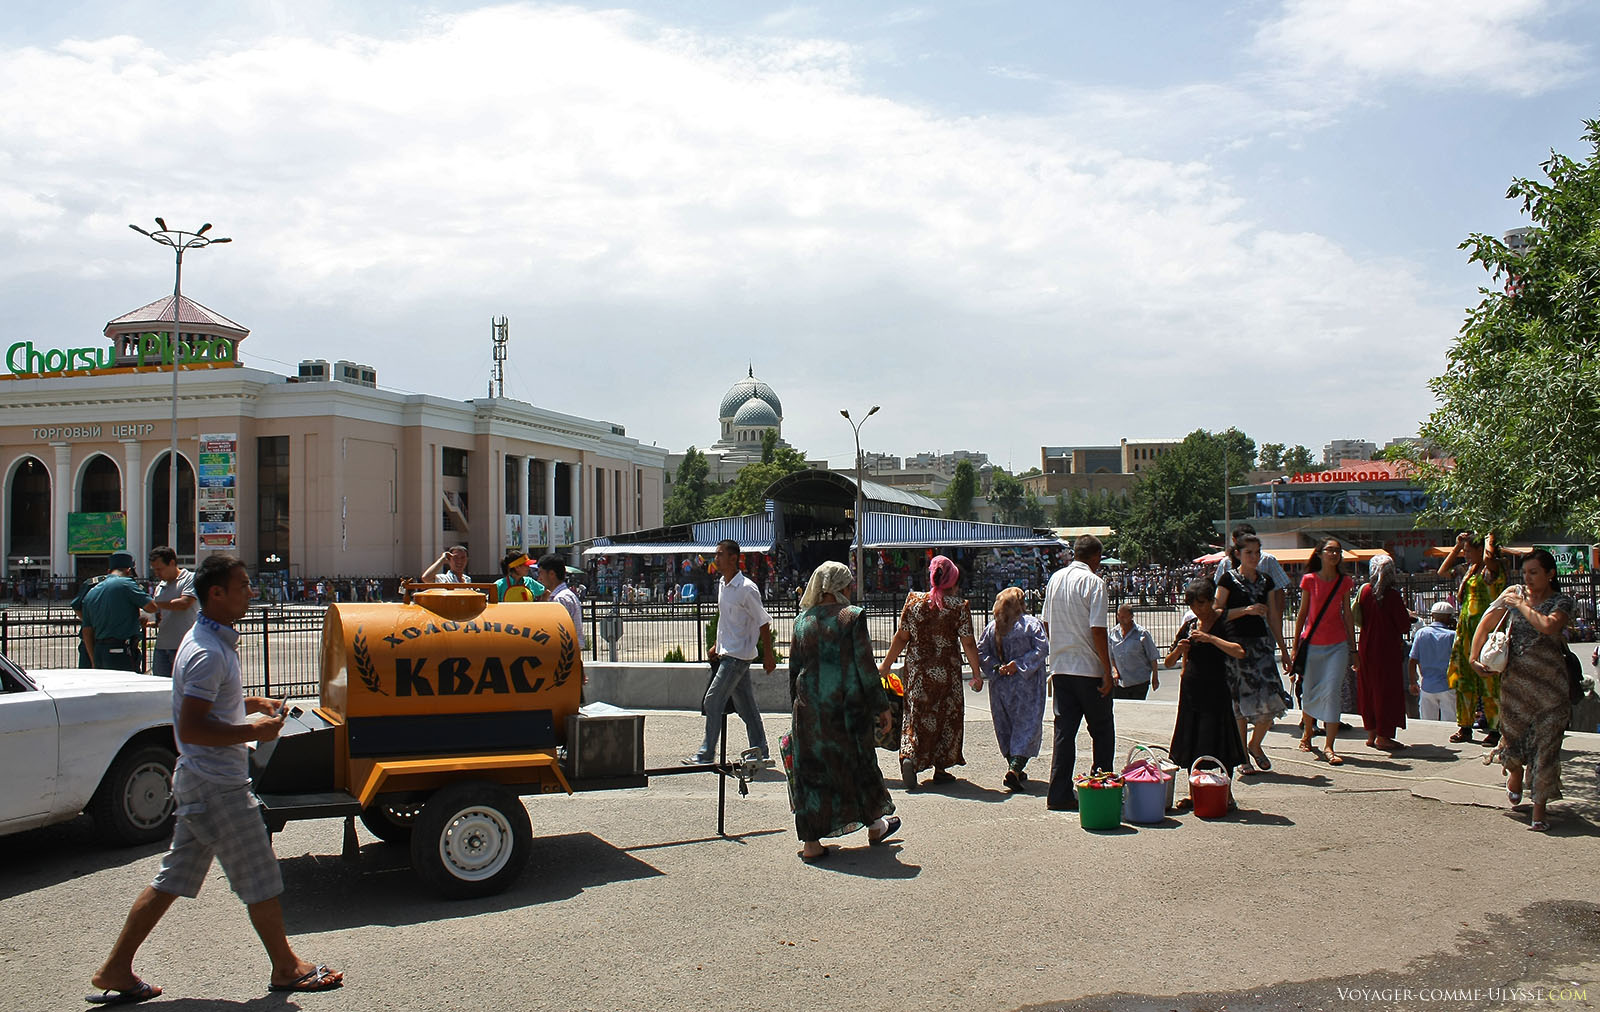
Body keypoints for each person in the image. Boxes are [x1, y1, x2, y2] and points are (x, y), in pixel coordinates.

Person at [87, 555, 343, 1004]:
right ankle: (286, 967)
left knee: (172, 878)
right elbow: (191, 727)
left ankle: (115, 968)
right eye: (242, 585)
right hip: (218, 786)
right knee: (261, 876)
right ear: (216, 594)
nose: (250, 592)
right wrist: (254, 731)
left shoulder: (208, 640)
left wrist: (251, 701)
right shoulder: (207, 651)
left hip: (199, 782)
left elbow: (209, 703)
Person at [788, 561, 900, 862]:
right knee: (859, 765)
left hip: (808, 711)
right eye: (849, 584)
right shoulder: (850, 617)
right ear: (839, 588)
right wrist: (881, 706)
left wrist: (797, 710)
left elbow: (794, 670)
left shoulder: (802, 621)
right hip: (845, 711)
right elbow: (864, 668)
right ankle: (876, 826)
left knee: (812, 774)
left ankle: (811, 843)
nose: (851, 589)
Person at [1472, 549, 1573, 831]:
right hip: (1515, 687)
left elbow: (1549, 626)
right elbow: (1488, 621)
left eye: (1534, 573)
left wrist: (1522, 605)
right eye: (1525, 573)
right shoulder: (1514, 593)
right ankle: (1514, 772)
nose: (1527, 579)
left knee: (1546, 750)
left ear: (1550, 574)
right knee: (1513, 741)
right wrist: (1473, 656)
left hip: (1551, 690)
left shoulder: (1561, 602)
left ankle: (1539, 810)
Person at [879, 555, 983, 790]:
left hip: (918, 672)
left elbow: (901, 637)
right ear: (953, 580)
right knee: (946, 717)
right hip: (947, 673)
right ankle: (941, 767)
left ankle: (909, 756)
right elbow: (968, 643)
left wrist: (885, 665)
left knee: (915, 717)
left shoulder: (914, 601)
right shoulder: (959, 607)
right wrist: (976, 673)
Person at [1041, 535, 1114, 811]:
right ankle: (1102, 785)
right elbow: (1098, 629)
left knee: (1064, 733)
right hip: (1089, 669)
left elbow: (1046, 622)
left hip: (1061, 668)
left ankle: (1059, 793)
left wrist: (1060, 647)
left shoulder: (1056, 579)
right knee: (1102, 730)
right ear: (1095, 557)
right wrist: (1107, 670)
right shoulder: (1095, 583)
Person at [686, 539, 775, 764]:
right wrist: (717, 644)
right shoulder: (723, 586)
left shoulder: (746, 589)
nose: (715, 559)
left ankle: (706, 753)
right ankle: (761, 751)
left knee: (713, 700)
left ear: (733, 558)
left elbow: (763, 622)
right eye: (715, 555)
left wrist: (768, 655)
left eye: (719, 555)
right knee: (746, 708)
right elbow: (725, 621)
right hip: (729, 653)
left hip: (738, 656)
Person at [1213, 534, 1289, 774]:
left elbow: (1274, 617)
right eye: (1249, 553)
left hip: (1262, 646)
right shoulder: (1227, 579)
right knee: (1240, 705)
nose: (1254, 557)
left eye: (1257, 552)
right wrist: (1245, 611)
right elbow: (1216, 611)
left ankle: (1255, 745)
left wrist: (1285, 651)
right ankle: (1242, 756)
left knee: (1273, 698)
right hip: (1236, 645)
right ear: (1238, 554)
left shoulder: (1266, 580)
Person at [1166, 577, 1248, 796]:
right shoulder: (1190, 625)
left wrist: (1210, 638)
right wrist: (1178, 651)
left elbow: (1239, 651)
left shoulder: (1223, 622)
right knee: (1191, 739)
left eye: (1201, 604)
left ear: (1212, 601)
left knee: (1219, 740)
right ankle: (1195, 793)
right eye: (1193, 605)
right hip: (1191, 691)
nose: (1197, 609)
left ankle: (1225, 793)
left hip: (1217, 689)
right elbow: (1168, 661)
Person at [975, 587, 1049, 791]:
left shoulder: (993, 628)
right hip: (1027, 686)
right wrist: (1019, 664)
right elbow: (1042, 648)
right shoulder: (1030, 624)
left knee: (1006, 725)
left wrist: (996, 667)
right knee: (1027, 725)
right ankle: (1015, 767)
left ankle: (1013, 765)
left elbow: (980, 652)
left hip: (1001, 686)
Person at [1291, 539, 1356, 766]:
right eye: (1330, 550)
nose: (1335, 554)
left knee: (1332, 691)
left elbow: (1348, 615)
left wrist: (1353, 647)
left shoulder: (1345, 581)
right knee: (1309, 691)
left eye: (1338, 551)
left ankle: (1329, 745)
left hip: (1337, 644)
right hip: (1313, 644)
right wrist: (1294, 646)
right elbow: (1302, 614)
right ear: (1319, 554)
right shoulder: (1310, 580)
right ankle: (1308, 732)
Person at [1439, 531, 1506, 745]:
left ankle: (1495, 728)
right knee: (1464, 680)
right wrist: (1457, 547)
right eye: (1464, 552)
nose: (1466, 555)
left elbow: (1488, 557)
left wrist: (1488, 536)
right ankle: (1464, 726)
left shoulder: (1492, 569)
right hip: (1465, 631)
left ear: (1481, 550)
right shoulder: (1469, 570)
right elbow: (1443, 571)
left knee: (1489, 680)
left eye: (1470, 551)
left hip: (1487, 631)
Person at [1355, 553, 1412, 751]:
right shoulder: (1392, 595)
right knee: (1386, 692)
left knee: (1369, 689)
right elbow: (1403, 625)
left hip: (1366, 646)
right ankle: (1384, 735)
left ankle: (1371, 733)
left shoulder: (1364, 592)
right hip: (1386, 649)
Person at [81, 552, 159, 672]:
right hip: (121, 651)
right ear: (129, 571)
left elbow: (87, 631)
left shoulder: (91, 592)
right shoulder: (127, 584)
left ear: (108, 571)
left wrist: (93, 660)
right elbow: (151, 607)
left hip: (99, 651)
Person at [147, 547, 198, 679]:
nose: (157, 573)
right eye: (154, 569)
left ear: (172, 563)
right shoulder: (160, 587)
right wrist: (148, 622)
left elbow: (184, 603)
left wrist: (154, 605)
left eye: (160, 569)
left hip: (184, 647)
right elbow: (161, 618)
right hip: (162, 647)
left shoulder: (190, 579)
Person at [1410, 601, 1458, 722]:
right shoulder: (1453, 635)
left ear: (1432, 616)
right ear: (1449, 617)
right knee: (1450, 722)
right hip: (1448, 685)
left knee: (1427, 722)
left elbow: (1413, 660)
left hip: (1427, 685)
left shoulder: (1421, 633)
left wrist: (1412, 682)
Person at [1107, 604, 1160, 700]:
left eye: (1124, 617)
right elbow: (1111, 656)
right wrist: (1114, 671)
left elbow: (1153, 656)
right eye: (1119, 616)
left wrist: (1155, 677)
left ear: (1131, 617)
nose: (1120, 619)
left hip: (1139, 682)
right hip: (1119, 682)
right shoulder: (1113, 633)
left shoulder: (1142, 634)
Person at [537, 555, 585, 652]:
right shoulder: (565, 595)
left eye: (540, 573)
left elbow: (556, 631)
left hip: (564, 651)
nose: (539, 579)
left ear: (551, 574)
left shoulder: (560, 599)